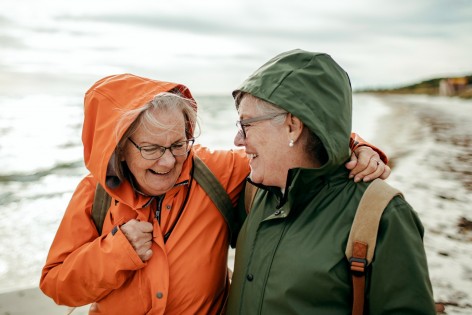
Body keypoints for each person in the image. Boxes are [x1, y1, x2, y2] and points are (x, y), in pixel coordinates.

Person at [40, 73, 389, 314]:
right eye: (151, 148)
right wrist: (116, 252)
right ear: (119, 148)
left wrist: (356, 146)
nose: (168, 161)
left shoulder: (214, 172)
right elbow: (57, 285)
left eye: (178, 144)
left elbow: (289, 151)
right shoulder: (94, 195)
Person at [225, 49, 436, 314]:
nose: (238, 140)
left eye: (247, 125)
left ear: (292, 125)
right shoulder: (252, 193)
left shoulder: (383, 215)